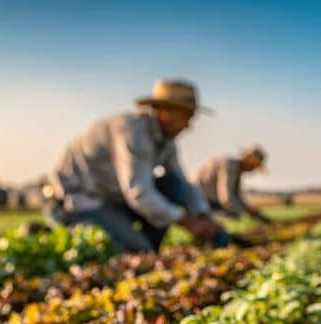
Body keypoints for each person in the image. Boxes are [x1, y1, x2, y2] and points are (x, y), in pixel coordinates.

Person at [48, 79, 233, 252]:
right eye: (186, 117)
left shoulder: (166, 142)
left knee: (173, 185)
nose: (188, 126)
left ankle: (144, 246)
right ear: (166, 112)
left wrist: (202, 215)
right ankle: (138, 247)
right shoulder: (132, 132)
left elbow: (183, 183)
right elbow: (138, 193)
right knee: (138, 251)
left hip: (114, 200)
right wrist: (189, 223)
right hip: (79, 201)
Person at [193, 145, 271, 222]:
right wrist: (245, 212)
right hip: (201, 203)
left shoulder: (236, 169)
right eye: (253, 165)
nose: (253, 169)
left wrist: (247, 209)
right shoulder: (230, 166)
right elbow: (226, 199)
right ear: (248, 159)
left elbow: (235, 196)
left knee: (234, 214)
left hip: (208, 202)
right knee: (232, 216)